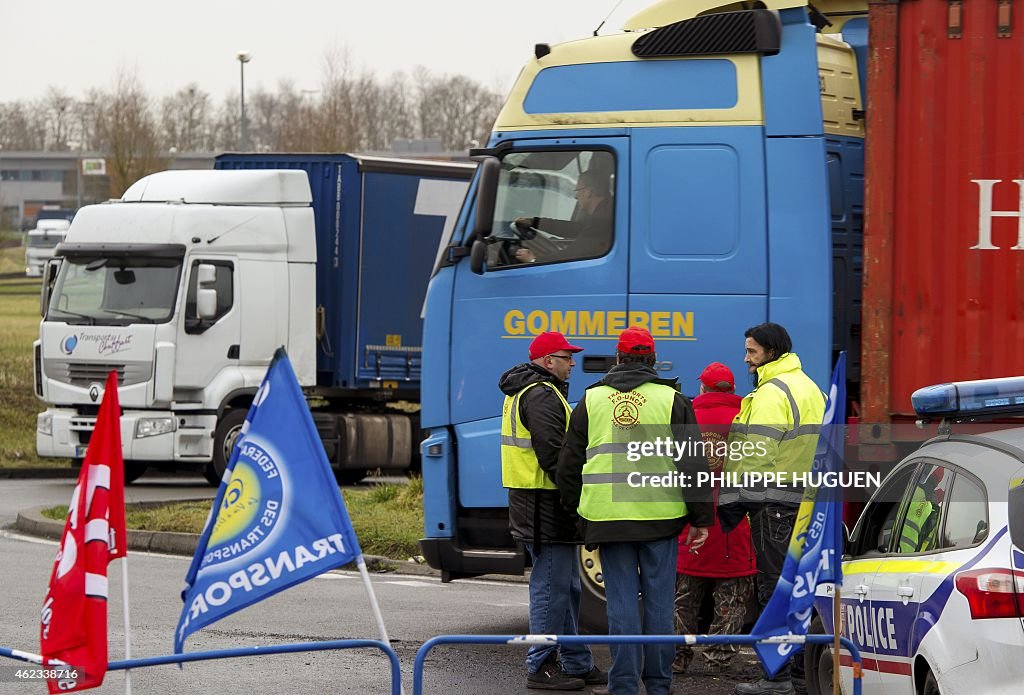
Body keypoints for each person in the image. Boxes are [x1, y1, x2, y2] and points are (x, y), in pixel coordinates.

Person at [557, 326, 714, 695]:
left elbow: (568, 466)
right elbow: (692, 463)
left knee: (622, 608)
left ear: (618, 359)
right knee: (660, 607)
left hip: (608, 520)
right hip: (660, 519)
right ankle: (659, 685)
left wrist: (577, 512)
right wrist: (701, 518)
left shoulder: (591, 401)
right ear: (654, 360)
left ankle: (624, 685)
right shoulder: (671, 399)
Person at [718, 323, 826, 695]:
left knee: (773, 589)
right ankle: (798, 675)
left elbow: (754, 459)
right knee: (800, 589)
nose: (746, 359)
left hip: (773, 504)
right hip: (805, 503)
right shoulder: (810, 387)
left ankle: (776, 678)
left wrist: (735, 503)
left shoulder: (770, 394)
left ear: (771, 351)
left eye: (752, 352)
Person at [499, 331, 607, 691]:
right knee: (550, 590)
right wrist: (576, 496)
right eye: (566, 357)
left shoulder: (536, 392)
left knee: (568, 588)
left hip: (538, 504)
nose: (572, 363)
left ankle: (576, 662)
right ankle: (540, 665)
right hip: (543, 505)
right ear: (547, 361)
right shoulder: (542, 395)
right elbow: (553, 454)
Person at [673, 363, 756, 677]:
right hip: (735, 525)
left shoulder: (686, 417)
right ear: (732, 390)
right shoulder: (747, 419)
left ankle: (677, 658)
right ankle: (717, 659)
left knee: (683, 598)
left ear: (704, 389)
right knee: (732, 599)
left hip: (691, 523)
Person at [514, 168, 613, 263]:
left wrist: (534, 260)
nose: (575, 196)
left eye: (577, 190)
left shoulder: (602, 219)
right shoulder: (605, 212)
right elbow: (575, 228)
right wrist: (535, 222)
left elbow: (574, 253)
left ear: (589, 192)